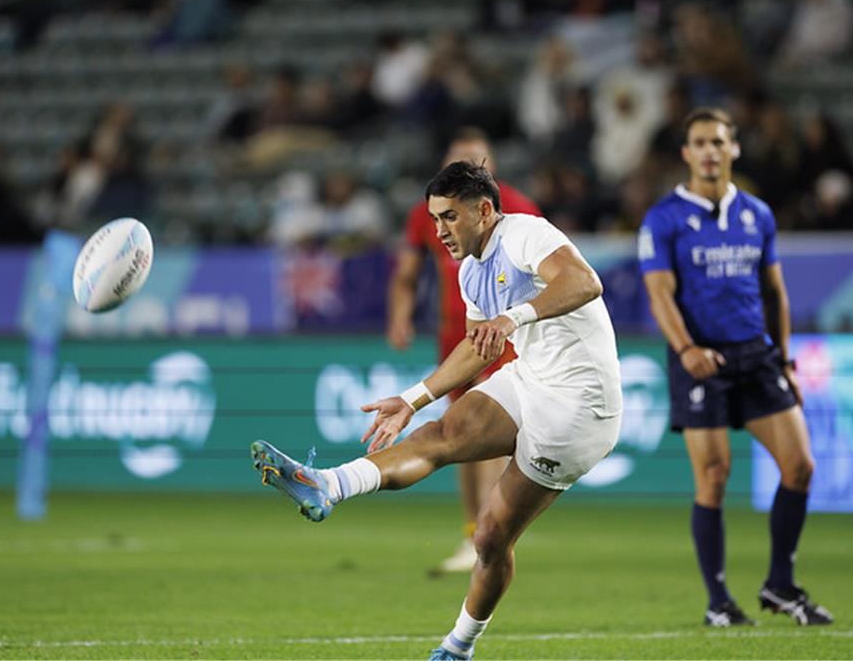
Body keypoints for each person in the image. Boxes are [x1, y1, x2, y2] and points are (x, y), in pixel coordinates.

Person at [253, 161, 623, 661]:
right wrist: (411, 399)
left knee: (492, 536)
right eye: (433, 219)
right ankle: (328, 484)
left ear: (485, 210)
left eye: (449, 217)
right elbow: (478, 348)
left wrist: (511, 319)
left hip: (580, 407)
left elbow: (584, 282)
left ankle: (458, 646)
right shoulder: (471, 271)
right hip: (531, 378)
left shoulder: (525, 234)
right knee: (439, 433)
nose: (439, 231)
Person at [637, 108, 833, 628]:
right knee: (715, 477)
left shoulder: (757, 215)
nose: (709, 151)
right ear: (685, 153)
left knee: (800, 466)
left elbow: (774, 291)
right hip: (700, 359)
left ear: (734, 149)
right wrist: (686, 351)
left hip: (756, 354)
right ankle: (718, 600)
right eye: (699, 142)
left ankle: (780, 585)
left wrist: (785, 358)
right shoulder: (663, 219)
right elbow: (660, 295)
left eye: (718, 142)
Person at [386, 128, 542, 575]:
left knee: (484, 431)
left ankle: (488, 535)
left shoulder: (518, 207)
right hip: (455, 335)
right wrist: (400, 316)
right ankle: (474, 530)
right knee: (456, 432)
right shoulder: (427, 214)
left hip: (504, 335)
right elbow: (407, 273)